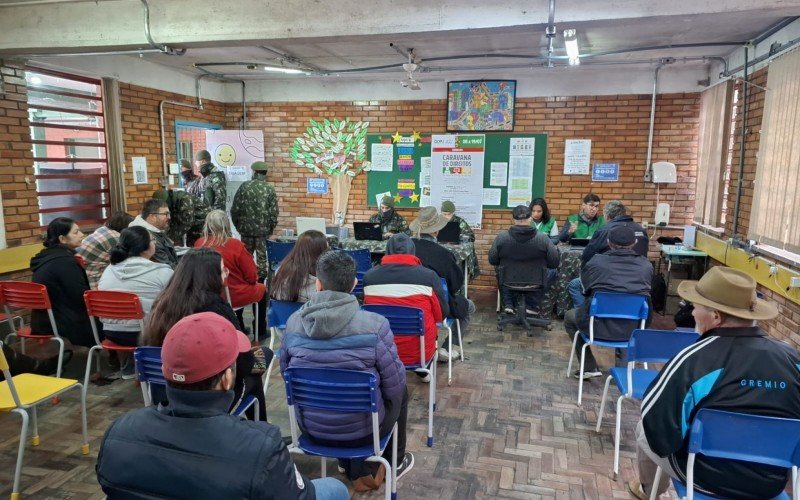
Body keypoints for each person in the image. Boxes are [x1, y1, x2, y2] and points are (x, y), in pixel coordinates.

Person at [96, 312, 348, 500]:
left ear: (164, 371)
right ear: (227, 379)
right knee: (335, 489)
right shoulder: (262, 446)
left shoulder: (119, 432)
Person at [628, 267, 800, 500]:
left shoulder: (693, 359)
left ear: (716, 316)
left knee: (643, 429)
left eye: (695, 307)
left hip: (704, 478)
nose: (692, 313)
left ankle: (649, 491)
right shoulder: (792, 359)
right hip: (771, 484)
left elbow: (656, 423)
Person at [281, 251, 413, 489]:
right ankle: (395, 461)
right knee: (400, 391)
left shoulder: (292, 323)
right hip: (365, 433)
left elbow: (285, 374)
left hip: (311, 429)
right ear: (354, 284)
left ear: (318, 284)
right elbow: (394, 385)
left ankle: (348, 462)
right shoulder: (375, 325)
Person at [143, 248, 268, 420]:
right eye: (223, 269)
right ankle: (261, 428)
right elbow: (241, 360)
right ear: (211, 276)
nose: (227, 273)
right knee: (260, 362)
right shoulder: (214, 306)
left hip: (167, 394)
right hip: (206, 397)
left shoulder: (162, 303)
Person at [563, 225, 652, 379]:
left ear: (609, 242)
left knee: (570, 317)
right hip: (634, 328)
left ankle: (588, 366)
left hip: (596, 326)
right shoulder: (646, 266)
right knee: (628, 317)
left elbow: (584, 290)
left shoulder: (596, 262)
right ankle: (623, 371)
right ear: (635, 242)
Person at [363, 233, 448, 381]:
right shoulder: (429, 276)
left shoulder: (369, 277)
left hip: (381, 351)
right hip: (419, 352)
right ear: (413, 250)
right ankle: (422, 371)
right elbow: (441, 314)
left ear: (387, 250)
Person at [410, 206, 476, 362]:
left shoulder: (404, 249)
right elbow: (455, 285)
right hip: (435, 307)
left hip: (402, 305)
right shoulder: (443, 254)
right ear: (436, 231)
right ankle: (446, 349)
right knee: (469, 307)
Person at [98, 226, 173, 349]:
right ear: (145, 248)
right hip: (146, 334)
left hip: (111, 332)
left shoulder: (109, 270)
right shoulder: (162, 271)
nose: (155, 243)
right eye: (153, 240)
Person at [195, 209, 267, 336]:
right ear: (227, 224)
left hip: (206, 294)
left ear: (207, 224)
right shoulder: (236, 245)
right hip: (234, 294)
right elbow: (251, 276)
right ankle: (260, 331)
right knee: (261, 289)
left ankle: (239, 326)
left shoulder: (199, 243)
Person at [568, 200, 650, 307]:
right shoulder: (641, 231)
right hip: (636, 286)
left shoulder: (604, 230)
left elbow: (586, 257)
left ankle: (586, 314)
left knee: (575, 285)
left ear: (606, 216)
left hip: (606, 283)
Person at [30, 217, 94, 347]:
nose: (82, 235)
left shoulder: (45, 257)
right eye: (76, 232)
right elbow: (81, 297)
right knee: (112, 321)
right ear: (62, 239)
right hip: (61, 321)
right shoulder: (65, 262)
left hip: (42, 320)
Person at [488, 205, 559, 316]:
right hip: (536, 281)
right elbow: (554, 262)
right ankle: (532, 304)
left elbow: (492, 260)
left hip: (508, 281)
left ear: (513, 219)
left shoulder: (502, 238)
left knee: (500, 267)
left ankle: (508, 304)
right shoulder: (543, 239)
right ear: (530, 218)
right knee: (553, 271)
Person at [230, 161, 279, 280]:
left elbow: (235, 210)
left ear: (254, 172)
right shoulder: (269, 189)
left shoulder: (244, 186)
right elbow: (274, 213)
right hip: (263, 231)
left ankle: (247, 281)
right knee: (262, 258)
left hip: (246, 231)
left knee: (246, 258)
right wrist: (270, 228)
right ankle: (261, 286)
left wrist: (238, 227)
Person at [76, 211, 134, 289]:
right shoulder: (116, 239)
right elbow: (127, 264)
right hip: (94, 282)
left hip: (82, 276)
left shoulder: (102, 229)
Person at [581, 200, 648, 265]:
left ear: (607, 216)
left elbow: (587, 256)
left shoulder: (603, 231)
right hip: (639, 273)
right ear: (623, 213)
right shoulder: (641, 229)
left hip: (609, 274)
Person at [270, 229, 329, 303]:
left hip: (283, 314)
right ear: (322, 251)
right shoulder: (325, 281)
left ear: (297, 247)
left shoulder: (281, 271)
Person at [152, 176, 208, 247]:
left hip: (202, 222)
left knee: (197, 245)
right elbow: (172, 222)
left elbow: (187, 223)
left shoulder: (184, 199)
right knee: (188, 244)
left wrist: (171, 238)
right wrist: (166, 236)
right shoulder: (171, 202)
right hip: (192, 223)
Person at [129, 199, 178, 268]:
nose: (169, 217)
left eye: (169, 214)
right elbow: (168, 267)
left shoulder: (154, 230)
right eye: (165, 214)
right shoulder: (148, 239)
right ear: (152, 217)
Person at [440, 200, 480, 280]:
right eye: (444, 214)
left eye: (449, 214)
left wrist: (459, 236)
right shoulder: (437, 221)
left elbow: (471, 236)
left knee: (456, 273)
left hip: (457, 255)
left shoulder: (460, 222)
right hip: (440, 254)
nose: (447, 216)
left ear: (453, 212)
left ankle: (458, 290)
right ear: (441, 212)